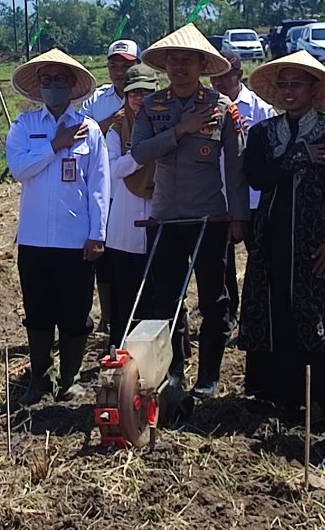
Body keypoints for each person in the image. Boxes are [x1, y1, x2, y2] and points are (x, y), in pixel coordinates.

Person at [239, 50, 325, 434]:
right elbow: (256, 177)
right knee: (278, 314)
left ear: (314, 89)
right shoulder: (262, 134)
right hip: (272, 240)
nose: (289, 92)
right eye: (284, 84)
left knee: (324, 317)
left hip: (318, 243)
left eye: (298, 84)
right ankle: (284, 397)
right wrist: (297, 156)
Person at [130, 24, 249, 395]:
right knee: (165, 299)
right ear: (165, 65)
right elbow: (139, 152)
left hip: (209, 218)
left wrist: (240, 217)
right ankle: (175, 371)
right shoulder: (152, 106)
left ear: (202, 65)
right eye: (173, 60)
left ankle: (209, 376)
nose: (179, 66)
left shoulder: (221, 107)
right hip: (165, 217)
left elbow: (236, 166)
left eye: (188, 60)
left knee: (214, 300)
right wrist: (179, 131)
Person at [6, 48, 109, 404]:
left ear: (72, 85)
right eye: (46, 80)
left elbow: (99, 185)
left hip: (74, 238)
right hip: (34, 239)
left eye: (59, 80)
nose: (52, 86)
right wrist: (55, 145)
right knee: (37, 311)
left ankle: (70, 378)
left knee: (74, 311)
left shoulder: (90, 130)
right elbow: (18, 169)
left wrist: (98, 234)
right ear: (38, 86)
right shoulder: (24, 126)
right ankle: (40, 378)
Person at [210, 45, 275, 330]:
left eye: (226, 76)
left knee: (259, 258)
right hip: (220, 196)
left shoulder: (261, 109)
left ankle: (257, 311)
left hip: (255, 197)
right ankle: (229, 312)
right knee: (221, 263)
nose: (220, 82)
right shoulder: (208, 107)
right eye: (215, 77)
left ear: (239, 73)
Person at [79, 39, 140, 336]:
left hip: (134, 188)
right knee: (102, 255)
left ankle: (126, 318)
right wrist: (111, 122)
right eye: (114, 65)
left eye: (126, 65)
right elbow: (83, 137)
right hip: (103, 187)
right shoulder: (97, 101)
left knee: (127, 256)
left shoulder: (146, 97)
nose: (119, 71)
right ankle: (107, 315)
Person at [103, 62, 159, 345]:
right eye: (134, 93)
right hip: (124, 225)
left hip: (160, 219)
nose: (140, 99)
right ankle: (121, 351)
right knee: (124, 294)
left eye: (146, 93)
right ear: (125, 96)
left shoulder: (166, 124)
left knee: (159, 294)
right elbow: (113, 168)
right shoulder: (116, 131)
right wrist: (143, 154)